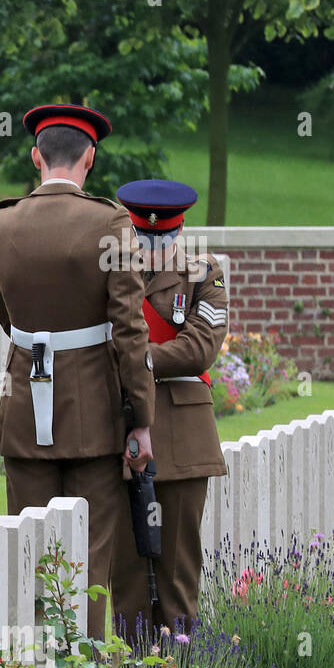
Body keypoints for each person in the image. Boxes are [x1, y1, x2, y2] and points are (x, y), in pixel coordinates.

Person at [0, 103, 155, 638]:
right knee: (89, 560)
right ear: (90, 158)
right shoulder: (109, 222)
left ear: (36, 155)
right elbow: (129, 328)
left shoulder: (0, 222)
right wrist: (141, 417)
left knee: (29, 555)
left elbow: (5, 314)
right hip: (92, 412)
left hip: (23, 401)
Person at [110, 179, 228, 636]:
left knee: (178, 572)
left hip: (183, 435)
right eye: (143, 238)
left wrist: (134, 360)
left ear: (179, 233)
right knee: (127, 577)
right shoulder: (112, 268)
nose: (152, 248)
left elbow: (199, 347)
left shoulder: (204, 271)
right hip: (120, 430)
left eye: (162, 240)